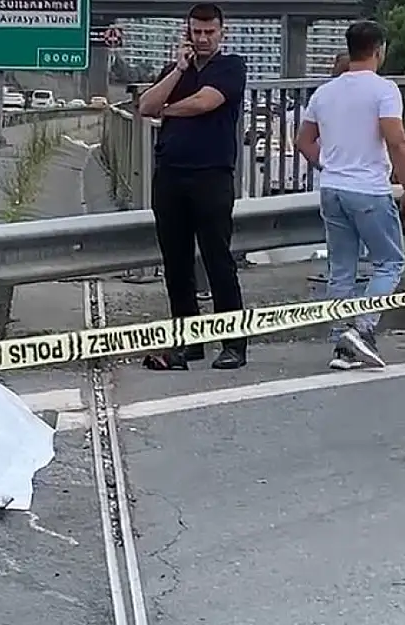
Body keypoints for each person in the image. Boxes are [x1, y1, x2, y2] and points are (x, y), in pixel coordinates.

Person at [295, 21, 405, 371]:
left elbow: (303, 141)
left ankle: (342, 345)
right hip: (369, 190)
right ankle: (362, 329)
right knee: (390, 262)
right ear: (380, 50)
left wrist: (328, 166)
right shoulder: (384, 89)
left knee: (342, 269)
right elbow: (396, 140)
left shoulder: (325, 92)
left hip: (332, 189)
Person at [136, 3, 248, 370]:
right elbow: (144, 105)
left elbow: (205, 102)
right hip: (170, 174)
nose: (202, 38)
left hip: (211, 175)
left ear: (221, 31)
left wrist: (166, 109)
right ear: (187, 32)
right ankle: (188, 342)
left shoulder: (231, 67)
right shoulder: (175, 69)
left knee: (218, 260)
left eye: (209, 32)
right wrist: (178, 71)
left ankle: (233, 343)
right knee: (176, 263)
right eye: (196, 32)